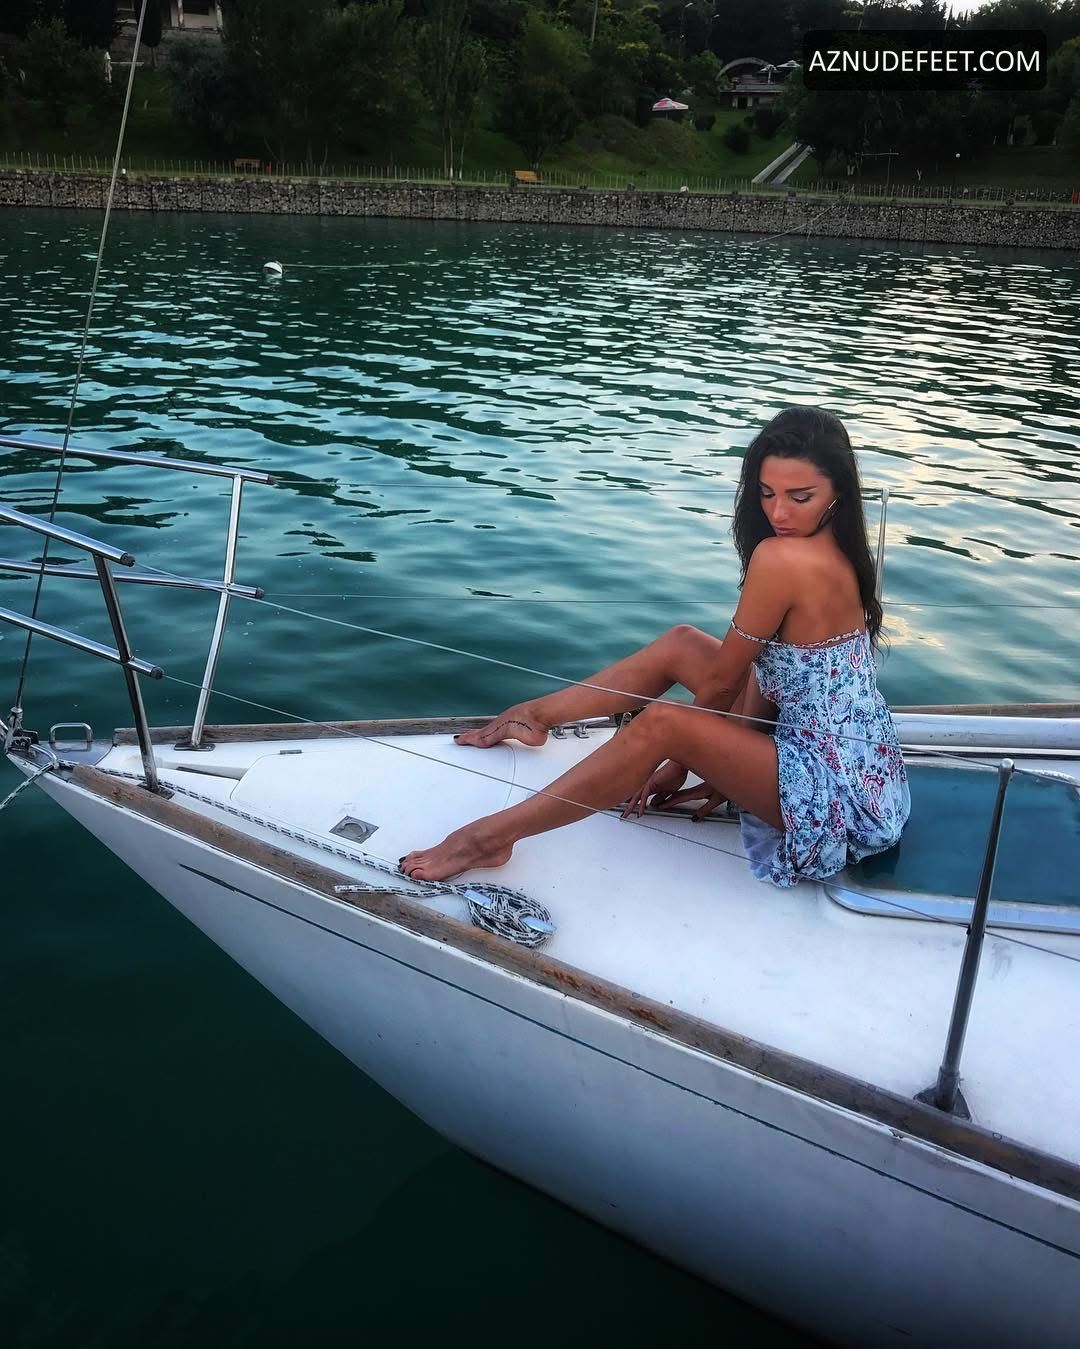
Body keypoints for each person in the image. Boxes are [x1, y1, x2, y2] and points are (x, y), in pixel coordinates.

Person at [400, 406, 911, 889]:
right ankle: (534, 716)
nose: (778, 511)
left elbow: (724, 682)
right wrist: (727, 759)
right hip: (859, 762)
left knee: (665, 723)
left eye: (800, 497)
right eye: (766, 492)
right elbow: (769, 671)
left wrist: (686, 758)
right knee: (683, 644)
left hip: (836, 792)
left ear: (838, 490)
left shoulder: (783, 558)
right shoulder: (839, 547)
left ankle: (489, 838)